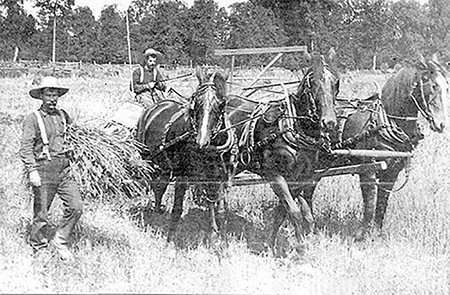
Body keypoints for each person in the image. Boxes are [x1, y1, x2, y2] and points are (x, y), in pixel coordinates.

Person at [19, 76, 83, 262]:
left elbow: (75, 136)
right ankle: (38, 246)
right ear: (41, 96)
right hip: (43, 168)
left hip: (64, 168)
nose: (53, 99)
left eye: (55, 95)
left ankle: (60, 240)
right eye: (49, 94)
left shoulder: (63, 115)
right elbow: (25, 147)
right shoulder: (33, 118)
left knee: (76, 206)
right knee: (42, 213)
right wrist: (32, 171)